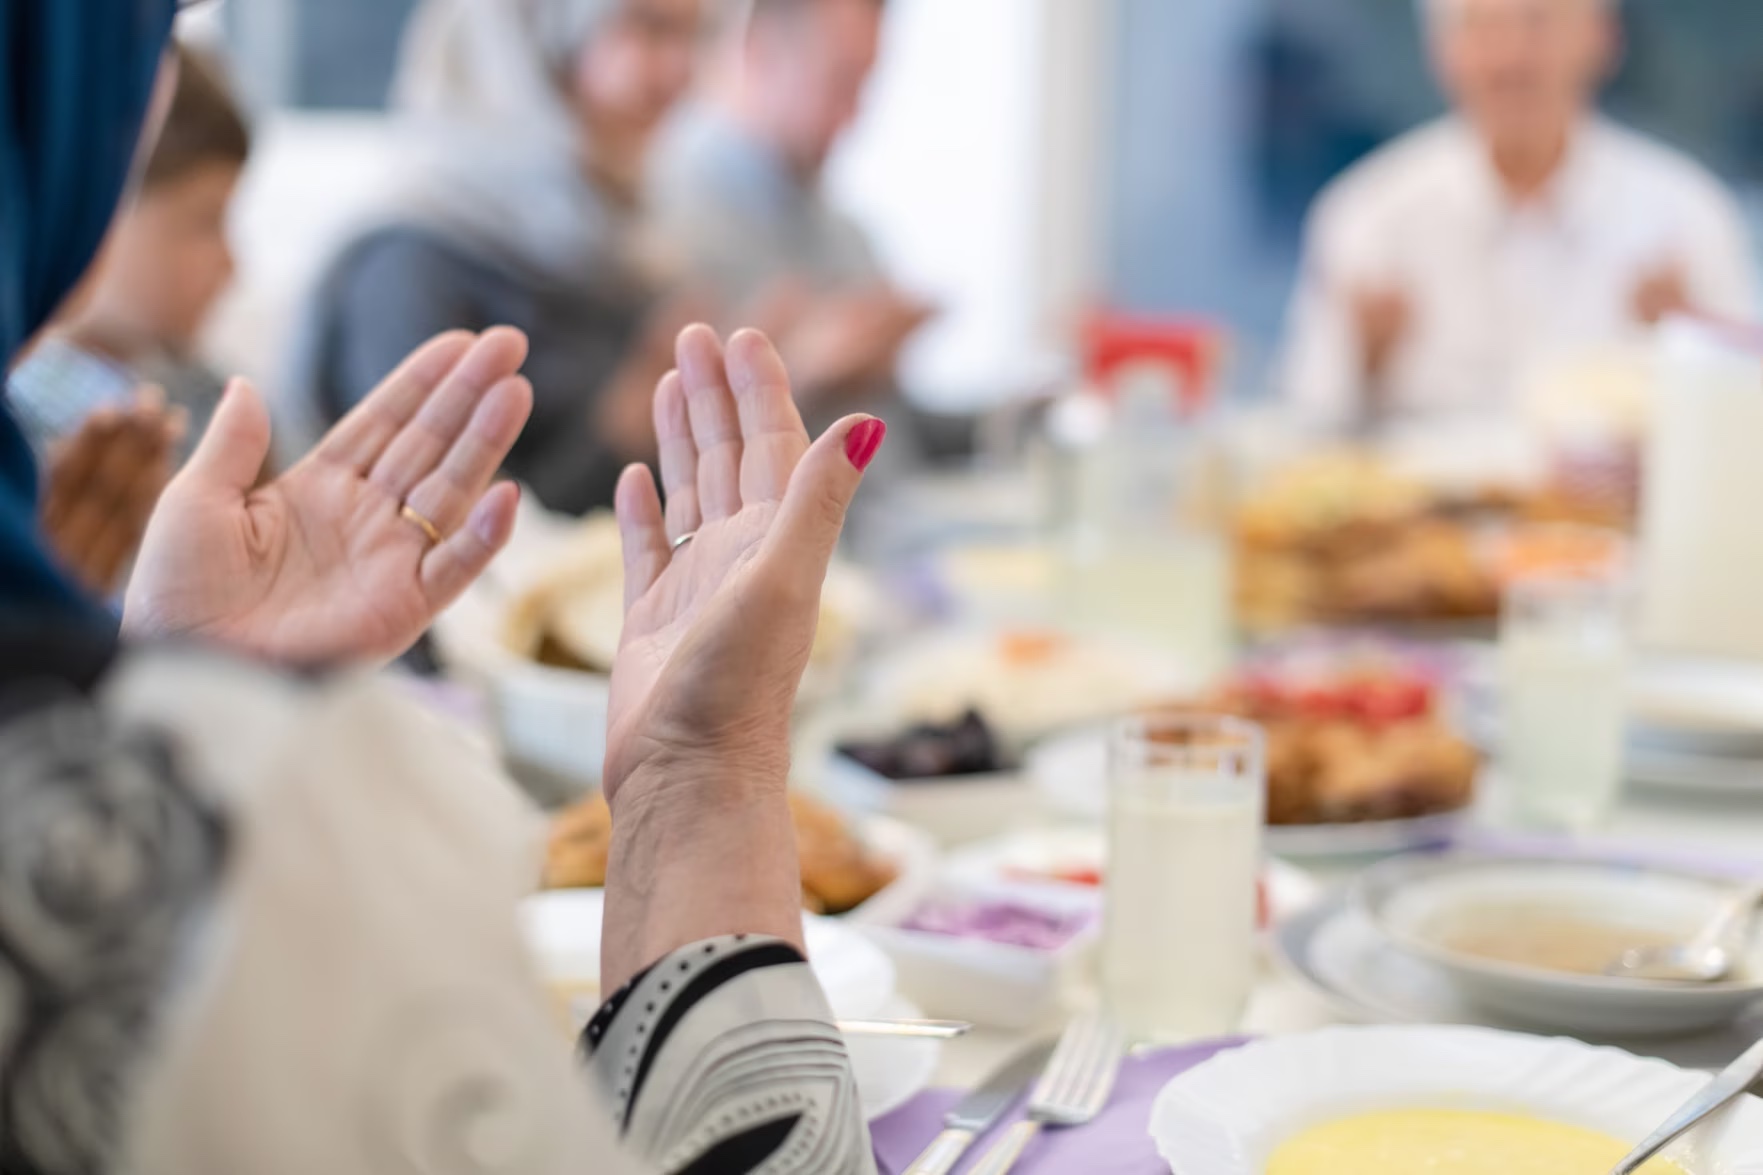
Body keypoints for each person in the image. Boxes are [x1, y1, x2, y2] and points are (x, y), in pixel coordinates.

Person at [1, 3, 886, 1173]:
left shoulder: (646, 234)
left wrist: (189, 708)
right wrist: (703, 785)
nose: (152, 100)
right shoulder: (418, 254)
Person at [291, 0, 704, 516]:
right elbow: (421, 532)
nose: (681, 72)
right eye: (648, 30)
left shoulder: (626, 255)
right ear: (528, 51)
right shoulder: (409, 271)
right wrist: (620, 432)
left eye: (694, 37)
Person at [1278, 0, 1760, 427]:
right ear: (1441, 50)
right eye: (1481, 26)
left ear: (1603, 38)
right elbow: (1303, 429)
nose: (1511, 57)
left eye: (1538, 21)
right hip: (1419, 524)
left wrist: (1692, 353)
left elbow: (1747, 420)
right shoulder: (1368, 214)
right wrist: (1364, 359)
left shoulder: (1686, 213)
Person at [656, 0, 932, 423]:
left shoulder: (848, 237)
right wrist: (802, 379)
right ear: (760, 51)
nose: (854, 114)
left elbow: (904, 432)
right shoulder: (663, 224)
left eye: (865, 85)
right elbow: (656, 448)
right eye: (839, 82)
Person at [9, 43, 247, 467]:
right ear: (104, 203)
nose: (231, 265)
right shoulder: (28, 423)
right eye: (205, 221)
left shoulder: (215, 397)